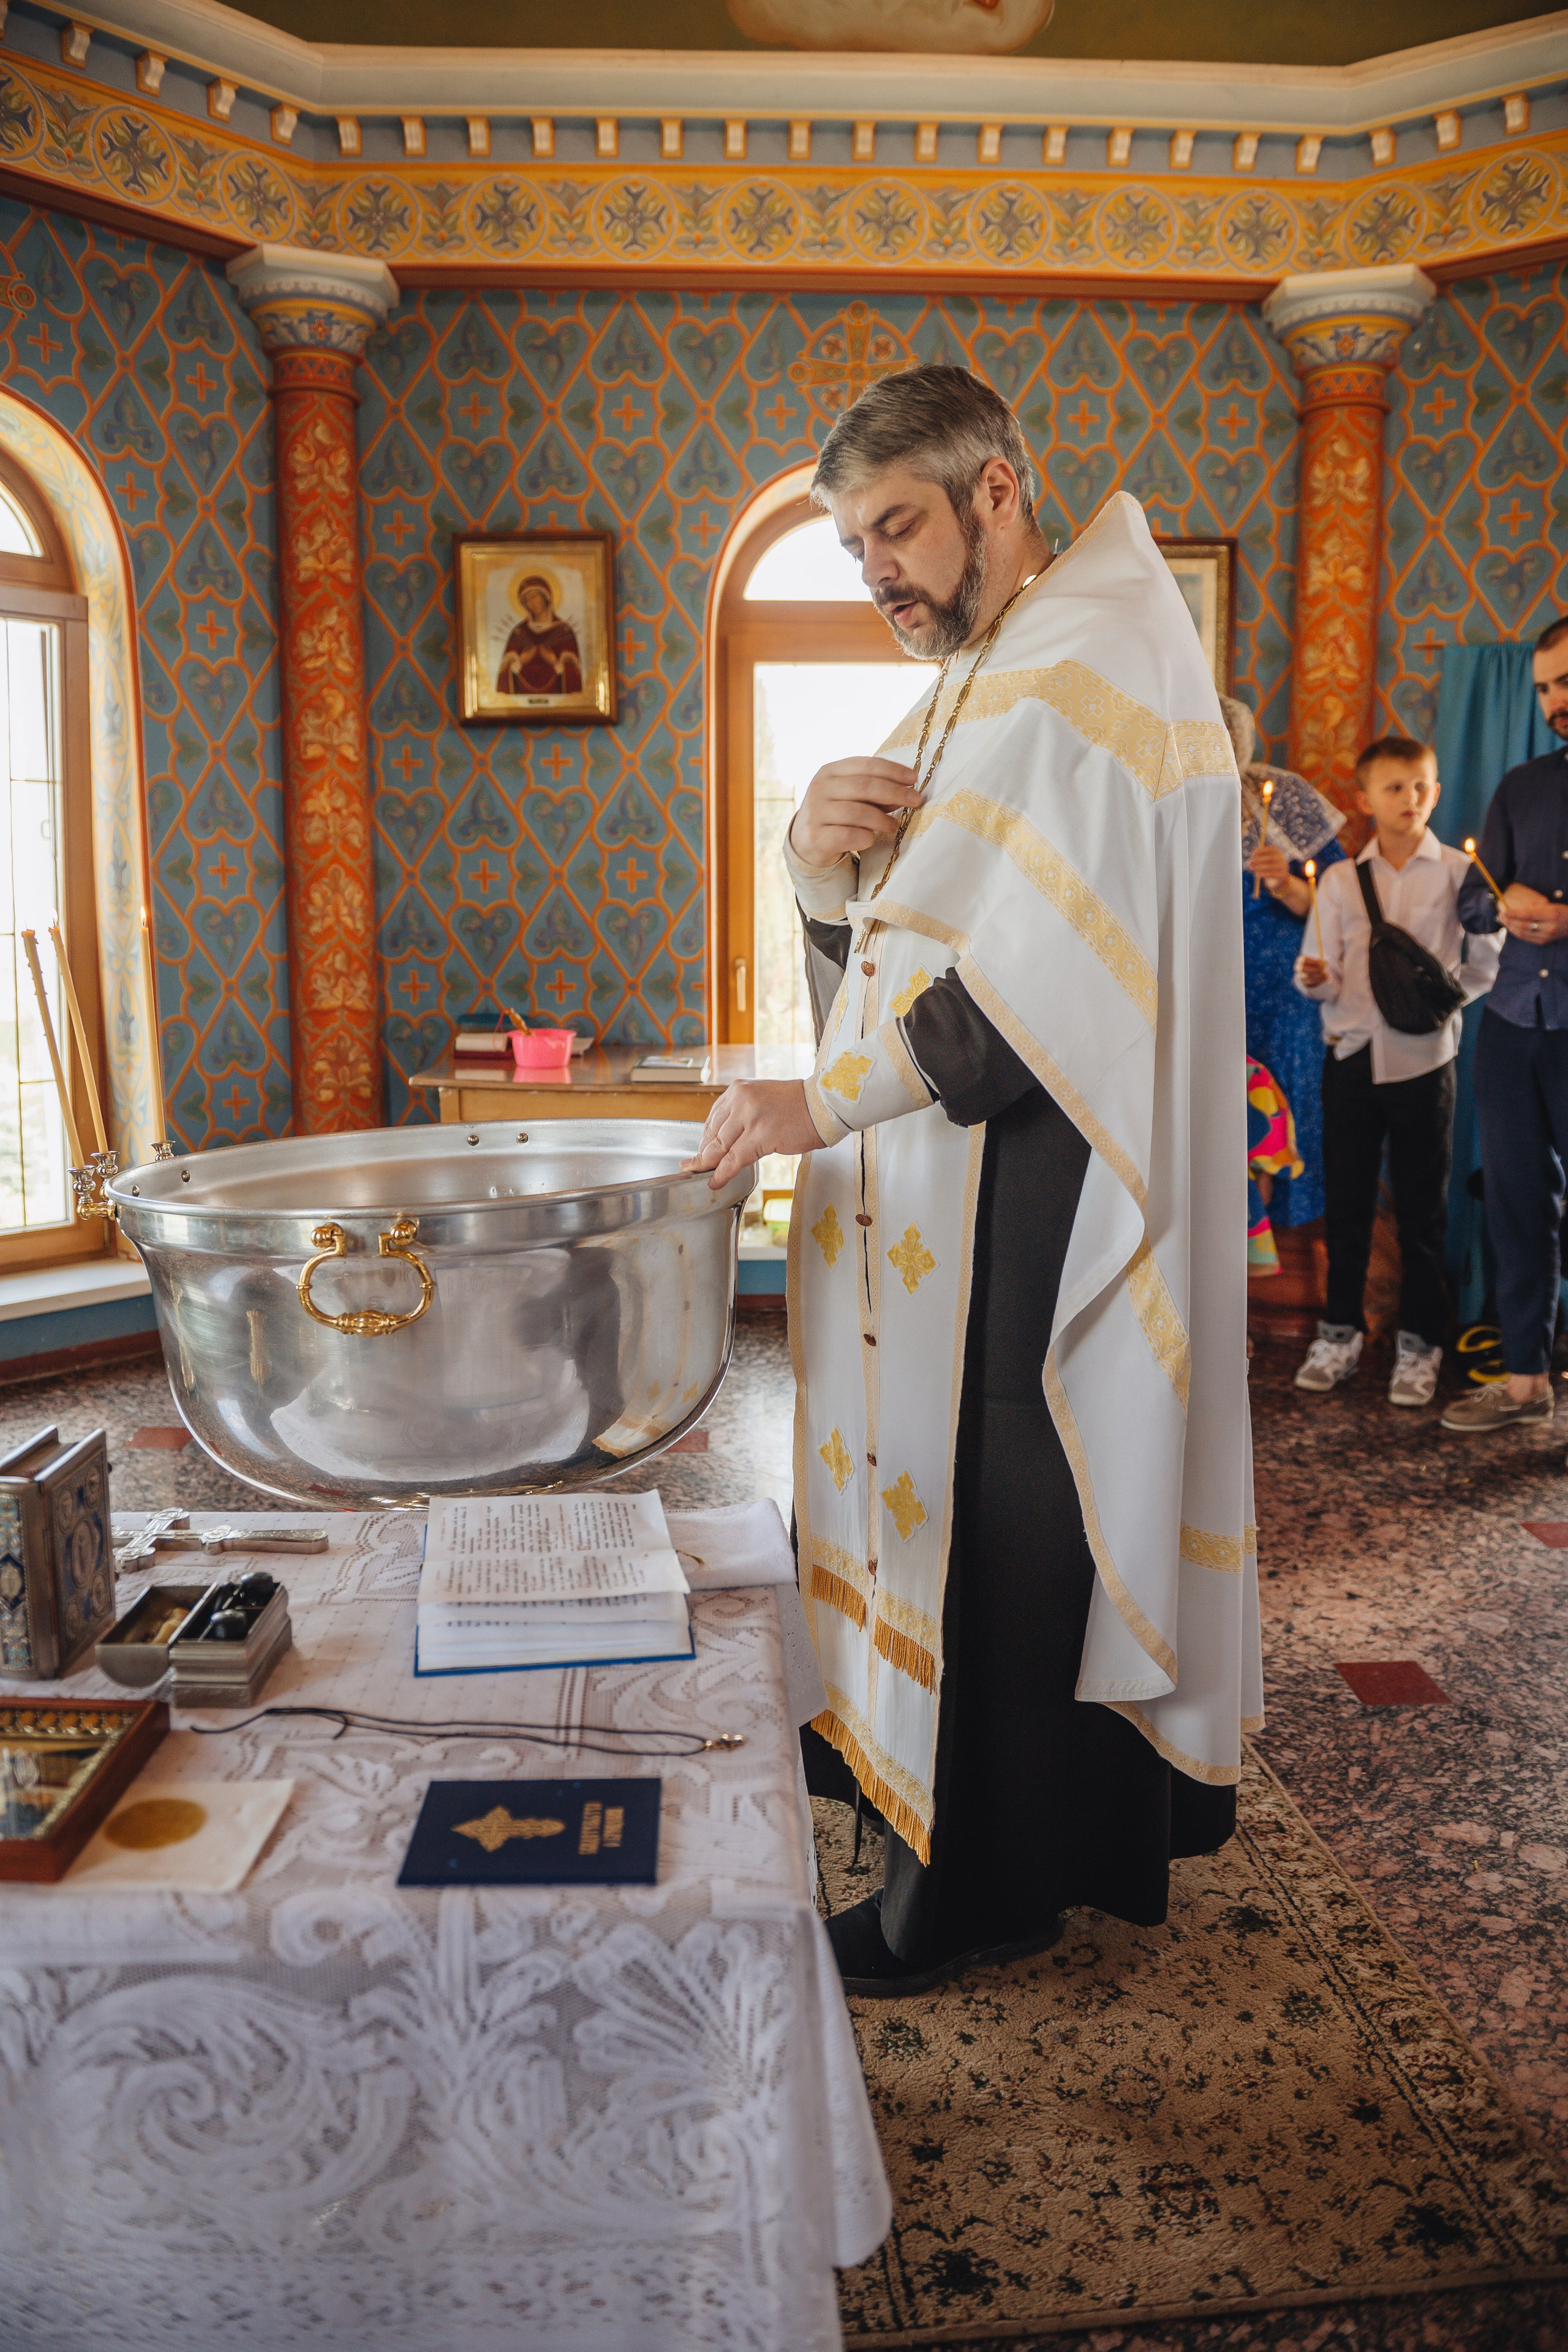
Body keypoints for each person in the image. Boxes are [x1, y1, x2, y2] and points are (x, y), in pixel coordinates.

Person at [682, 366, 1259, 1995]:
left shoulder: (1093, 652)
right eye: (859, 544)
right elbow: (909, 936)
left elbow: (1048, 986)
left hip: (1044, 1179)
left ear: (997, 490)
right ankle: (896, 1750)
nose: (879, 573)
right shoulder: (987, 664)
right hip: (956, 1169)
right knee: (966, 1510)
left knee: (1013, 1522)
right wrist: (815, 857)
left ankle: (990, 1880)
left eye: (898, 530)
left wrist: (824, 1102)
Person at [1292, 735, 1499, 1408]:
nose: (1408, 799)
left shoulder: (1460, 876)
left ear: (1435, 793)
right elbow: (1318, 974)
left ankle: (1420, 1345)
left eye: (1419, 786)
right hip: (1349, 1057)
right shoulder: (1339, 880)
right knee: (1348, 1206)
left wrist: (1440, 1006)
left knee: (1422, 1212)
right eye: (1392, 788)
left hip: (1423, 1062)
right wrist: (1314, 978)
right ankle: (1339, 1333)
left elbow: (1485, 963)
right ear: (1364, 800)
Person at [1448, 615, 1568, 1434]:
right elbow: (1471, 899)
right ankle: (1525, 1384)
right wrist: (1505, 905)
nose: (1556, 701)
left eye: (1566, 681)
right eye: (1545, 688)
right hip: (1513, 1026)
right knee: (1517, 1205)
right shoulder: (1520, 787)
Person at [1226, 694, 1346, 1234]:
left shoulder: (1283, 797)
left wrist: (1286, 883)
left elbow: (1342, 902)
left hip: (1284, 989)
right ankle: (1226, 1231)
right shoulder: (1164, 800)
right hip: (1206, 989)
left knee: (1289, 1101)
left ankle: (1289, 1235)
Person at [497, 574, 582, 696]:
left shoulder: (564, 631)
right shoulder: (519, 632)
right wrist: (520, 662)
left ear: (546, 597)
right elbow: (504, 680)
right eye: (526, 601)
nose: (531, 603)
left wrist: (555, 663)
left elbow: (576, 680)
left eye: (533, 597)